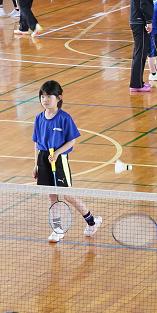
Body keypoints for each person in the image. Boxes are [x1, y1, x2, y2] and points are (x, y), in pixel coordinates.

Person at [33, 81, 102, 243]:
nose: (45, 100)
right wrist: (35, 165)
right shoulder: (38, 118)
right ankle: (57, 229)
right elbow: (36, 143)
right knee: (52, 197)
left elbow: (72, 142)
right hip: (43, 159)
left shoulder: (64, 118)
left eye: (49, 96)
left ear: (58, 98)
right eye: (42, 97)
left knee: (68, 195)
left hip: (59, 159)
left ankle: (92, 221)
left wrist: (57, 153)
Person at [128, 0, 157, 94]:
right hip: (140, 22)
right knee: (140, 53)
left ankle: (138, 81)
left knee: (141, 52)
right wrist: (148, 21)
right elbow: (144, 3)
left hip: (139, 21)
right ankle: (136, 84)